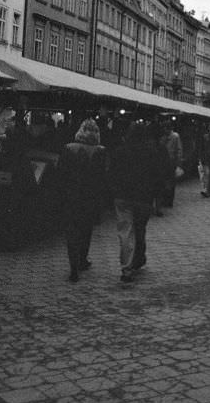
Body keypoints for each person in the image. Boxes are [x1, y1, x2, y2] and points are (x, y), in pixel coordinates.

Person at [108, 121, 161, 283]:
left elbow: (112, 173)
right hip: (143, 198)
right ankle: (138, 258)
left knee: (125, 231)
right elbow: (156, 175)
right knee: (140, 229)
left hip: (123, 197)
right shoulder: (151, 152)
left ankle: (127, 267)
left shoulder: (119, 151)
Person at [58, 118, 104, 283]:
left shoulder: (68, 148)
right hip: (90, 198)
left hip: (72, 196)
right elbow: (102, 178)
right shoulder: (100, 151)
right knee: (86, 230)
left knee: (72, 232)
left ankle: (73, 268)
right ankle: (82, 260)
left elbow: (61, 174)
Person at [158, 119, 183, 210]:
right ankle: (164, 199)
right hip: (164, 162)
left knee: (171, 182)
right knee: (164, 181)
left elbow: (179, 150)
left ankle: (169, 201)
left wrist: (178, 163)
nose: (164, 130)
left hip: (172, 162)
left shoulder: (175, 136)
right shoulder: (163, 137)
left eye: (165, 128)